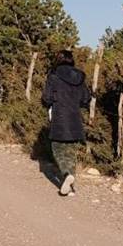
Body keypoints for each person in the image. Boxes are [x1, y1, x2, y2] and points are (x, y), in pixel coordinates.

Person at [41, 49, 91, 197]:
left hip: (59, 117)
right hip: (75, 118)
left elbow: (47, 98)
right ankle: (70, 186)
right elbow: (86, 98)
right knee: (71, 152)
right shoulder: (80, 77)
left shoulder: (54, 76)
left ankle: (66, 173)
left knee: (57, 148)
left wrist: (49, 103)